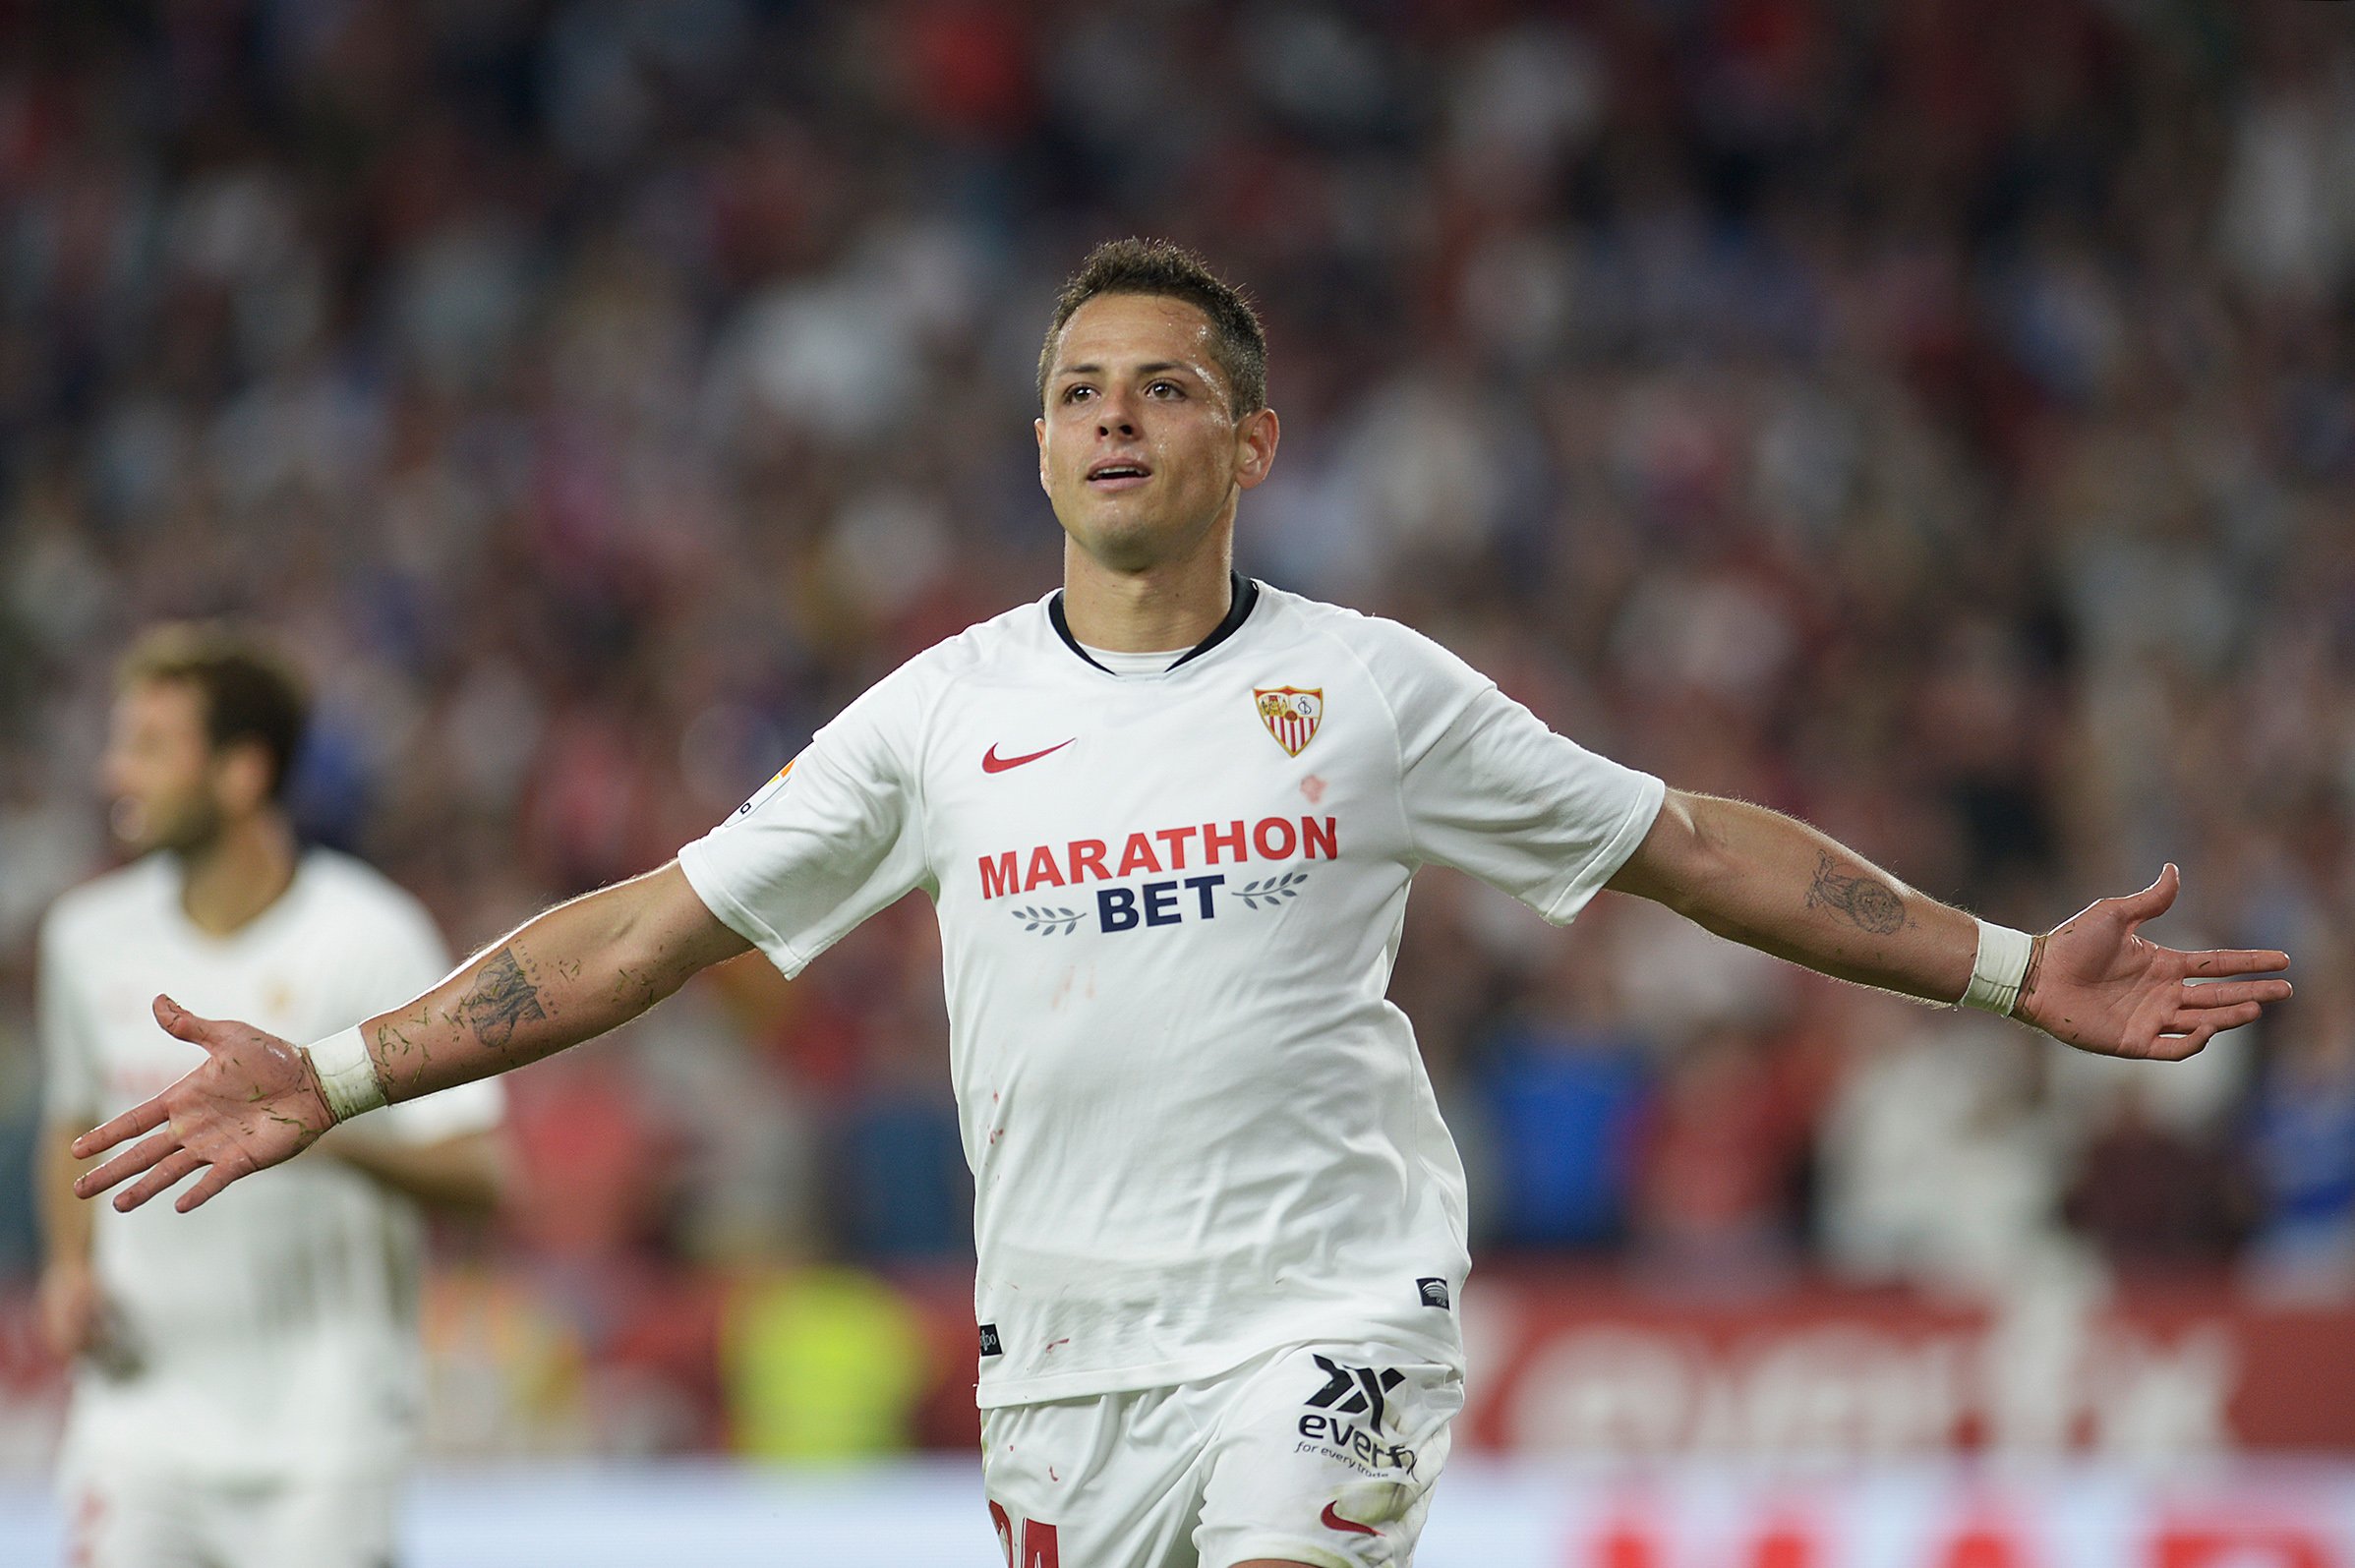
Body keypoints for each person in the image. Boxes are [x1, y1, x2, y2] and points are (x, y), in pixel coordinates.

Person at [71, 242, 2290, 1568]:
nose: (1110, 414)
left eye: (1162, 387)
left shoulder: (1371, 687)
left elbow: (1690, 841)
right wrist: (340, 1067)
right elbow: (653, 921)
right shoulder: (936, 717)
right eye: (1074, 389)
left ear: (1252, 441)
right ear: (1033, 448)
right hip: (1066, 1363)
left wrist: (2008, 965)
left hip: (1323, 1315)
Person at [38, 625, 507, 1568]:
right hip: (138, 1426)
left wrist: (320, 1121)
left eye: (149, 747)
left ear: (241, 771)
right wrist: (70, 1266)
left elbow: (486, 1178)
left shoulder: (372, 938)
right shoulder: (86, 937)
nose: (112, 772)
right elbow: (71, 1120)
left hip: (325, 1442)